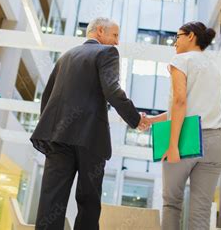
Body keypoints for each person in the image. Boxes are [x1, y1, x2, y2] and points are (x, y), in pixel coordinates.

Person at [30, 17, 148, 230]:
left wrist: (52, 130)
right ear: (100, 31)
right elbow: (112, 90)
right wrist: (136, 119)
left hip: (57, 138)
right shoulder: (106, 53)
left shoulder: (65, 57)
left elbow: (47, 99)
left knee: (51, 200)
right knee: (88, 201)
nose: (117, 42)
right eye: (115, 35)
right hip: (90, 138)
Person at [144, 21, 221, 230]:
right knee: (201, 211)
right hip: (216, 142)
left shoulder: (181, 60)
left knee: (172, 204)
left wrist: (173, 145)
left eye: (177, 37)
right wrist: (151, 120)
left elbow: (180, 102)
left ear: (191, 36)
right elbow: (189, 108)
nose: (175, 43)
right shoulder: (214, 67)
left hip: (185, 139)